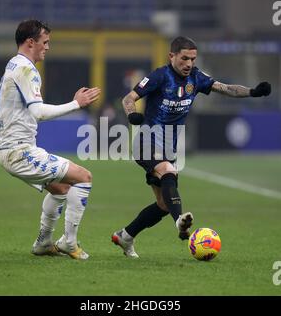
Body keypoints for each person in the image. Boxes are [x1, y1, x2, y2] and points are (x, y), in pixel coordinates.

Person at [111, 36, 271, 258]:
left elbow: (226, 89)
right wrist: (132, 114)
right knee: (168, 171)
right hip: (146, 140)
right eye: (184, 58)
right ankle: (179, 222)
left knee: (163, 204)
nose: (189, 64)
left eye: (192, 59)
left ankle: (125, 236)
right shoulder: (159, 76)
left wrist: (253, 92)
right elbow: (128, 98)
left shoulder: (196, 78)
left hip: (169, 145)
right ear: (172, 56)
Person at [0, 20, 101, 261]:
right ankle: (69, 242)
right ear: (30, 42)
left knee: (61, 187)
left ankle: (43, 243)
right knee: (84, 177)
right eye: (45, 42)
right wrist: (77, 104)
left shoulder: (14, 64)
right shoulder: (26, 69)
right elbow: (39, 113)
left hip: (11, 149)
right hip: (18, 151)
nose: (48, 47)